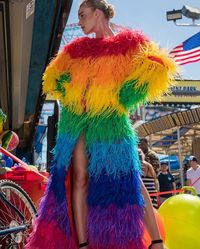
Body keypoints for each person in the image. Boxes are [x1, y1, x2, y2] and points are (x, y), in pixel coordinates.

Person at [25, 1, 177, 249]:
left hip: (110, 123)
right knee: (79, 179)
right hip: (76, 123)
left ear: (98, 13)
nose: (81, 20)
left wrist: (124, 96)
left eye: (83, 14)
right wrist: (71, 91)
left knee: (132, 180)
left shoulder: (128, 44)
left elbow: (158, 64)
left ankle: (157, 242)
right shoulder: (75, 49)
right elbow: (53, 76)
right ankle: (83, 243)